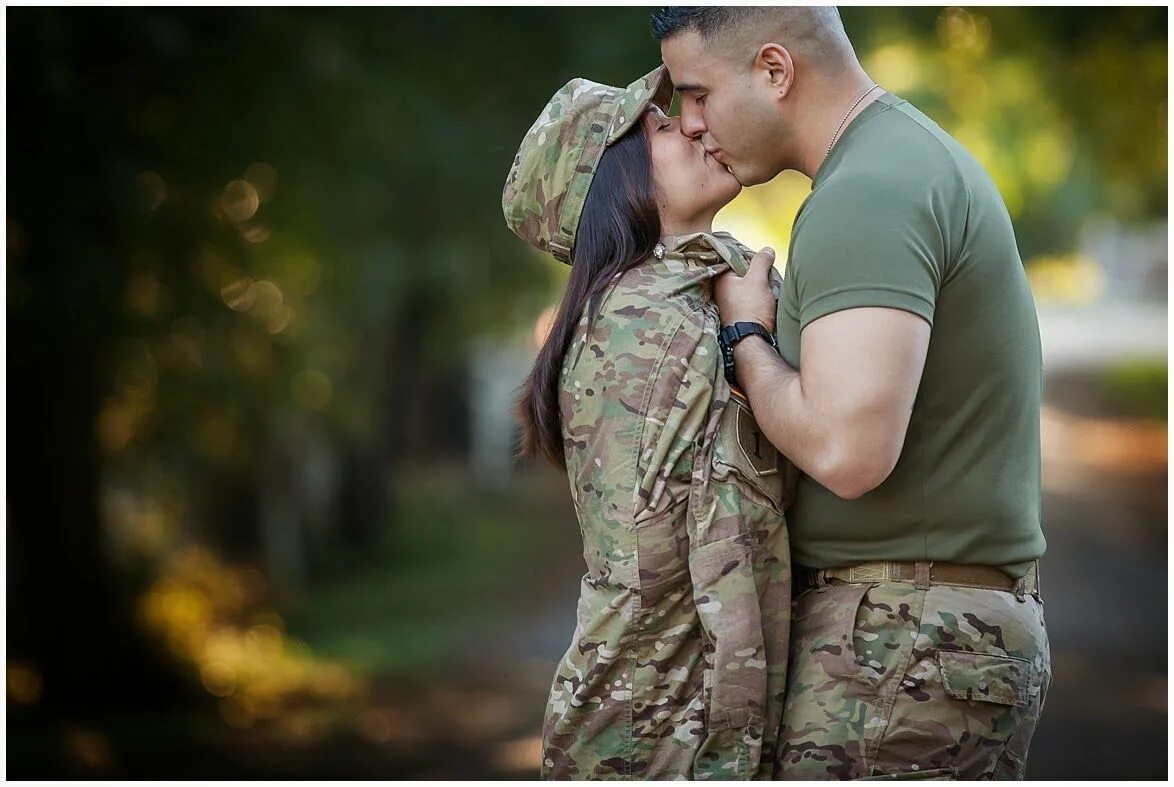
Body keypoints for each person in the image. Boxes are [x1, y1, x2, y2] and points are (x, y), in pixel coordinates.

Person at [650, 6, 1051, 780]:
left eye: (696, 92)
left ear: (775, 70)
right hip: (918, 639)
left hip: (900, 650)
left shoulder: (865, 194)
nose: (690, 123)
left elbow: (849, 450)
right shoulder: (895, 161)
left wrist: (747, 338)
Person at [502, 66, 798, 779]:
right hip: (653, 733)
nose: (693, 125)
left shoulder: (682, 295)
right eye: (663, 128)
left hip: (651, 716)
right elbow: (708, 555)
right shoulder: (646, 321)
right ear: (618, 184)